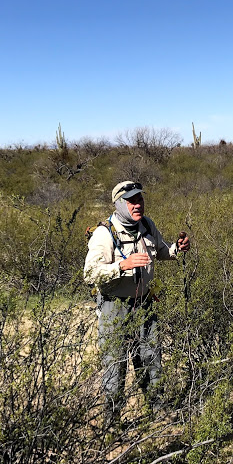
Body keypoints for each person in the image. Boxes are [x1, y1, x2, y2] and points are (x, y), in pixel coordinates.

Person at [84, 181, 190, 423]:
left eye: (140, 199)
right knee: (115, 365)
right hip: (115, 307)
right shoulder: (104, 233)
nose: (138, 204)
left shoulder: (147, 225)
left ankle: (159, 411)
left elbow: (161, 251)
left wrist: (177, 249)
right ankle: (112, 421)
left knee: (152, 358)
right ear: (119, 204)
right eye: (131, 200)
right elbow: (89, 274)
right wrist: (122, 265)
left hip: (145, 303)